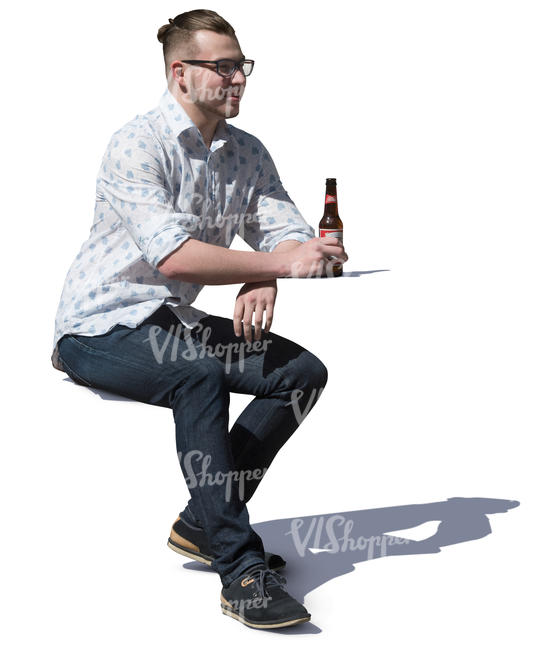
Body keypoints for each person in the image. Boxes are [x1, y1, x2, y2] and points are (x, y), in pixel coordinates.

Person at [51, 9, 348, 629]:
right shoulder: (136, 143)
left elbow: (288, 232)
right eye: (223, 67)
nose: (238, 78)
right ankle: (238, 570)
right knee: (197, 374)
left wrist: (265, 271)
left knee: (301, 373)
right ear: (179, 73)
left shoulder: (246, 151)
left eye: (242, 65)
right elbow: (173, 254)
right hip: (100, 325)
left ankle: (200, 522)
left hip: (169, 319)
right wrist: (277, 262)